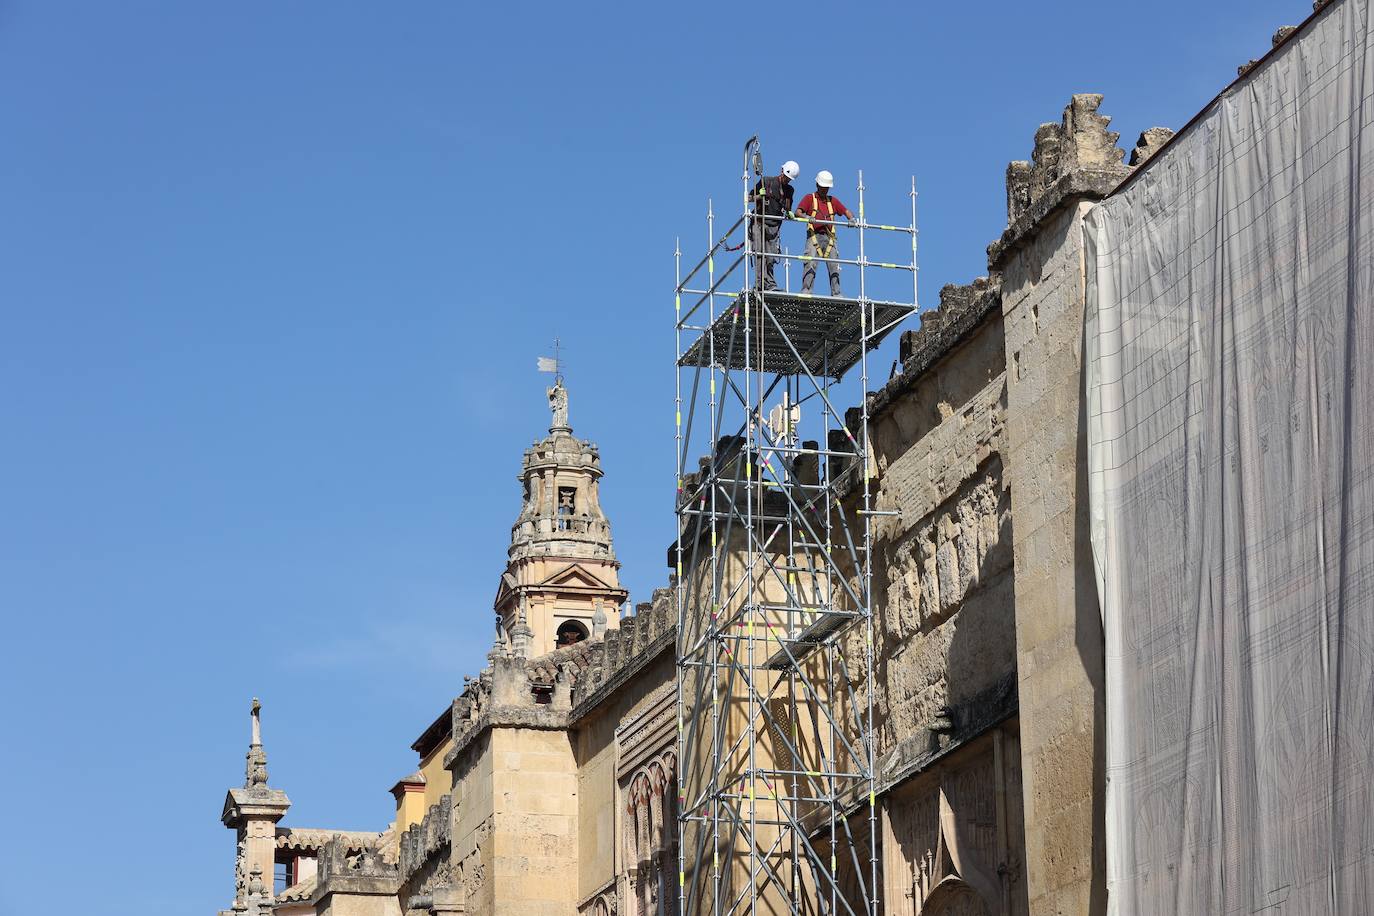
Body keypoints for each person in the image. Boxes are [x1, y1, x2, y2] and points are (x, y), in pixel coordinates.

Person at [794, 169, 855, 296]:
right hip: (814, 236)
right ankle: (806, 290)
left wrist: (851, 219)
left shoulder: (832, 201)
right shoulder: (809, 198)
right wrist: (807, 217)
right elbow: (798, 212)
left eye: (827, 188)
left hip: (829, 238)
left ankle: (836, 293)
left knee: (834, 266)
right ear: (817, 185)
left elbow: (846, 211)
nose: (825, 190)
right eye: (823, 187)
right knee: (810, 262)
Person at [750, 160, 798, 291]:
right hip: (759, 223)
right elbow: (748, 198)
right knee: (759, 253)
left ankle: (770, 284)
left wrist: (789, 212)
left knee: (770, 257)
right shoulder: (766, 181)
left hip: (774, 226)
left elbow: (787, 208)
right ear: (782, 171)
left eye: (789, 179)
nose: (787, 180)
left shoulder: (789, 190)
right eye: (786, 177)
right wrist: (759, 196)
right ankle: (759, 284)